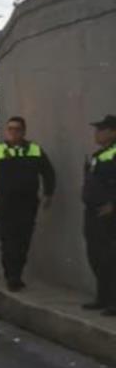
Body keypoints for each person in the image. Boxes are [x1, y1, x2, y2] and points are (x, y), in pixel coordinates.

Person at [0, 116, 55, 291]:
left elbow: (48, 172)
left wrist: (48, 194)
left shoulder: (35, 150)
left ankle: (17, 274)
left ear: (24, 131)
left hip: (27, 205)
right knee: (8, 242)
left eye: (17, 129)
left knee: (23, 242)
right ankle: (11, 276)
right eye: (10, 129)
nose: (13, 132)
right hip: (5, 205)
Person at [81, 115, 116, 315]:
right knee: (96, 257)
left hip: (108, 213)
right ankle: (102, 297)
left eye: (101, 129)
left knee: (109, 258)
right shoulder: (99, 154)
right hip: (93, 211)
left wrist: (113, 204)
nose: (97, 133)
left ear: (113, 131)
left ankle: (113, 301)